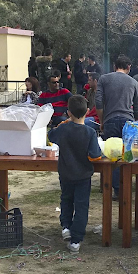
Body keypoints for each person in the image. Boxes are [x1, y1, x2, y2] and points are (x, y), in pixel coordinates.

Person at [96, 55, 138, 200]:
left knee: (115, 156)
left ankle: (118, 191)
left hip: (110, 120)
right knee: (136, 154)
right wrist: (137, 119)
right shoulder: (133, 82)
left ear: (114, 66)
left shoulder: (104, 79)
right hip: (129, 123)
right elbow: (137, 106)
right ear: (129, 67)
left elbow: (98, 103)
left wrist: (102, 120)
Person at [47, 95, 102, 253]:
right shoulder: (90, 132)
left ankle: (66, 226)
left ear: (68, 112)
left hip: (65, 173)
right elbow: (95, 155)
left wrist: (64, 122)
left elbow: (51, 135)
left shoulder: (63, 129)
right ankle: (76, 240)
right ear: (87, 112)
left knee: (66, 199)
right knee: (81, 206)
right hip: (83, 175)